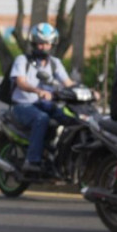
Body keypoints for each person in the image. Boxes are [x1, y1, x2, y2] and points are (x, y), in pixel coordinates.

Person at [10, 23, 75, 177]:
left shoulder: (55, 63)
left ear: (52, 45)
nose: (44, 47)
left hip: (45, 104)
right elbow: (21, 82)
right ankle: (32, 161)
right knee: (42, 118)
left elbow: (69, 83)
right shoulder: (22, 60)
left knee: (71, 119)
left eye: (47, 43)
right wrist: (38, 91)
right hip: (23, 105)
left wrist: (88, 92)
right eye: (40, 43)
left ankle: (62, 157)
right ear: (33, 44)